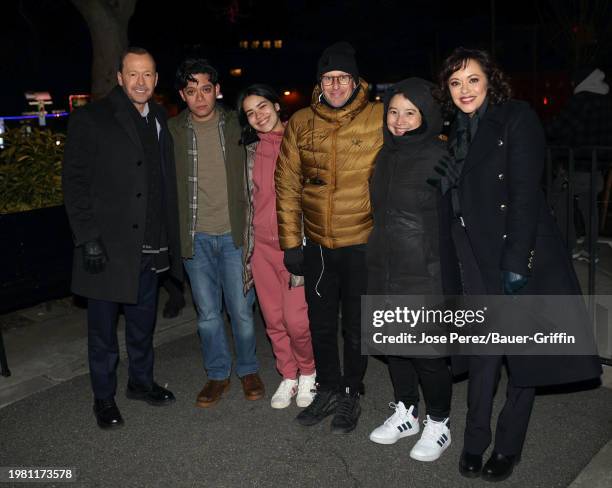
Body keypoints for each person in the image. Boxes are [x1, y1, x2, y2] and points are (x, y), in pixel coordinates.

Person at [434, 47, 602, 481]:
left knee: (523, 358)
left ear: (491, 79)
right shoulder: (456, 132)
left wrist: (516, 263)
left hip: (516, 254)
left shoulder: (516, 118)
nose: (464, 90)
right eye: (455, 82)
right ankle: (475, 439)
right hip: (474, 255)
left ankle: (507, 447)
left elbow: (526, 195)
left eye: (473, 79)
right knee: (485, 353)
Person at [63, 46, 181, 429]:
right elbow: (75, 184)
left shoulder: (161, 117)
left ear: (156, 78)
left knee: (142, 325)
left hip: (150, 247)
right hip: (107, 249)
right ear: (119, 77)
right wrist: (88, 239)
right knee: (102, 334)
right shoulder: (92, 118)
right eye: (133, 74)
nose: (141, 82)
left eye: (148, 74)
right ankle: (103, 399)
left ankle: (141, 383)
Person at [275, 41, 383, 433]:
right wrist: (291, 244)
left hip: (362, 243)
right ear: (319, 83)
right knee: (321, 324)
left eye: (343, 78)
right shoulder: (301, 121)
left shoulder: (378, 116)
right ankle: (329, 387)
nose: (335, 86)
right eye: (328, 78)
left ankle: (352, 392)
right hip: (318, 244)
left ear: (355, 81)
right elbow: (286, 184)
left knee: (356, 326)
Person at [168, 58, 264, 409]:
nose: (200, 97)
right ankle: (218, 374)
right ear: (182, 95)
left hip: (234, 235)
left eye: (206, 89)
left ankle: (249, 369)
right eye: (191, 91)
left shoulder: (237, 124)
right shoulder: (173, 131)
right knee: (208, 314)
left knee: (241, 310)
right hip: (196, 238)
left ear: (218, 89)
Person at [366, 78, 452, 462]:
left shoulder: (440, 157)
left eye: (410, 113)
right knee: (394, 347)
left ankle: (439, 422)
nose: (399, 121)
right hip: (384, 264)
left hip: (424, 269)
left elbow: (457, 217)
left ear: (427, 115)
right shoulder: (385, 154)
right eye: (393, 112)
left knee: (428, 354)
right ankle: (407, 412)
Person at [237, 84, 316, 409]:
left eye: (262, 107)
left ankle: (310, 372)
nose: (258, 116)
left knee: (297, 321)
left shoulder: (301, 143)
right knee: (273, 319)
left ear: (275, 105)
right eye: (250, 113)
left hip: (294, 248)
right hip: (261, 250)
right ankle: (288, 375)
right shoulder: (250, 151)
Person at [546, 66, 612, 262]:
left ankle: (570, 245)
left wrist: (544, 130)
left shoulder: (581, 101)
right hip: (597, 167)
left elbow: (560, 128)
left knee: (559, 200)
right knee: (589, 206)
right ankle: (591, 250)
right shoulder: (607, 102)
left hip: (576, 165)